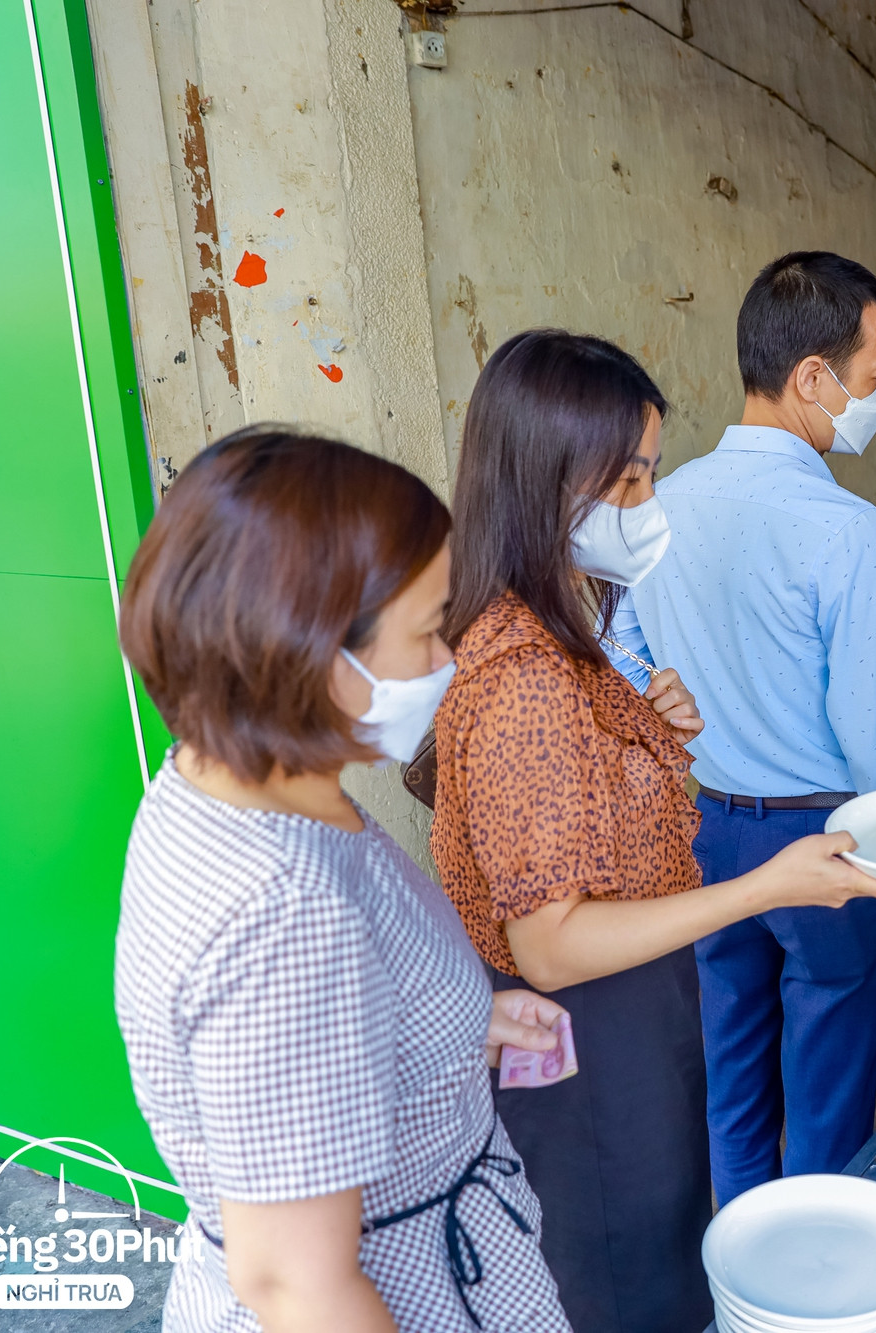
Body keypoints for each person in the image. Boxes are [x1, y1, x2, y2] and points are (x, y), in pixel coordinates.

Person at [428, 330, 876, 1333]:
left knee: (674, 1237)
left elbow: (572, 813)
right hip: (585, 1042)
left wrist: (647, 734)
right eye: (631, 480)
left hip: (633, 1009)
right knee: (624, 1284)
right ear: (547, 485)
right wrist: (766, 885)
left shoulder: (562, 640)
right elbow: (549, 942)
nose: (651, 506)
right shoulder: (525, 677)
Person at [114, 429, 571, 1333]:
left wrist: (451, 1027)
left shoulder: (219, 779)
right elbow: (297, 1285)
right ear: (321, 656)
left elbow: (284, 1046)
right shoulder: (280, 914)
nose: (451, 657)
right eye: (429, 628)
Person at [615, 251, 876, 1205]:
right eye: (875, 377)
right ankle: (814, 1286)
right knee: (829, 1102)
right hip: (829, 847)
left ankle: (742, 1289)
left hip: (710, 833)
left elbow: (627, 642)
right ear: (815, 376)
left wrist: (690, 701)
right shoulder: (842, 526)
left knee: (734, 1091)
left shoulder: (662, 504)